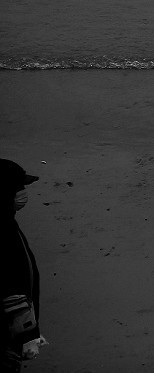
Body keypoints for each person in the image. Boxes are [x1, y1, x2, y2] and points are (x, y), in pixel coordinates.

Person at [1, 159, 47, 371]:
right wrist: (27, 335)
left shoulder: (8, 221)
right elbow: (10, 285)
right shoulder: (3, 229)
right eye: (18, 188)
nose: (22, 194)